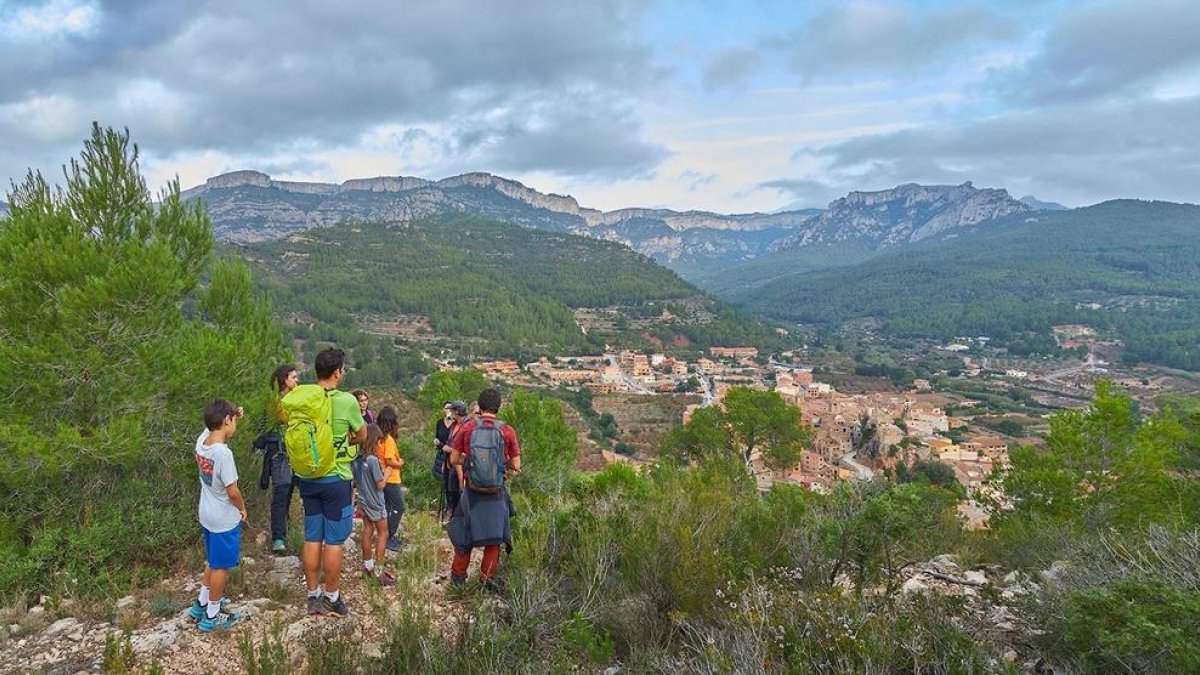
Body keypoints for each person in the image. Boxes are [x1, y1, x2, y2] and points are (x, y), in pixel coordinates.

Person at [297, 348, 365, 617]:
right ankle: (332, 597)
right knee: (334, 541)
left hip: (308, 477)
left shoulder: (303, 398)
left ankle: (312, 596)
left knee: (312, 536)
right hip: (336, 479)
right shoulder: (347, 401)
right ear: (337, 372)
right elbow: (361, 434)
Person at [448, 388, 521, 589]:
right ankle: (486, 580)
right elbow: (516, 465)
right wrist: (501, 469)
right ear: (498, 406)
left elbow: (454, 459)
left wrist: (471, 461)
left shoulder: (468, 428)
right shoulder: (507, 431)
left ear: (479, 406)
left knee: (465, 534)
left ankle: (458, 578)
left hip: (472, 492)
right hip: (496, 492)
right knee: (494, 539)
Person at [188, 399, 247, 632]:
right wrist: (242, 508)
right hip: (223, 518)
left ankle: (201, 602)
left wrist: (235, 414)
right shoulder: (223, 454)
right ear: (226, 421)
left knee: (212, 559)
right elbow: (232, 490)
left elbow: (212, 427)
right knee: (221, 566)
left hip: (206, 512)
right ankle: (213, 614)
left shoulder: (202, 442)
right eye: (233, 421)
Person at [258, 364, 299, 554]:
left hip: (293, 451)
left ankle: (284, 532)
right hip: (280, 452)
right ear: (284, 379)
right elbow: (286, 419)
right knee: (281, 493)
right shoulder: (276, 401)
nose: (297, 381)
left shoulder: (289, 399)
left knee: (288, 493)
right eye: (294, 377)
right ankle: (278, 538)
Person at [354, 424, 396, 586]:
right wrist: (387, 474)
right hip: (375, 502)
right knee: (383, 533)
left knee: (367, 530)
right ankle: (379, 572)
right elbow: (380, 485)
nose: (379, 443)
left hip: (363, 500)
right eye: (378, 440)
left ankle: (368, 567)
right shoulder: (372, 460)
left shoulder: (359, 459)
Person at [376, 406, 406, 551]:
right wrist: (399, 463)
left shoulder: (378, 437)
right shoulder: (388, 439)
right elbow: (389, 459)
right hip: (391, 478)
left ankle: (384, 535)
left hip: (382, 476)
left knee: (388, 507)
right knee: (399, 506)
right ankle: (389, 536)